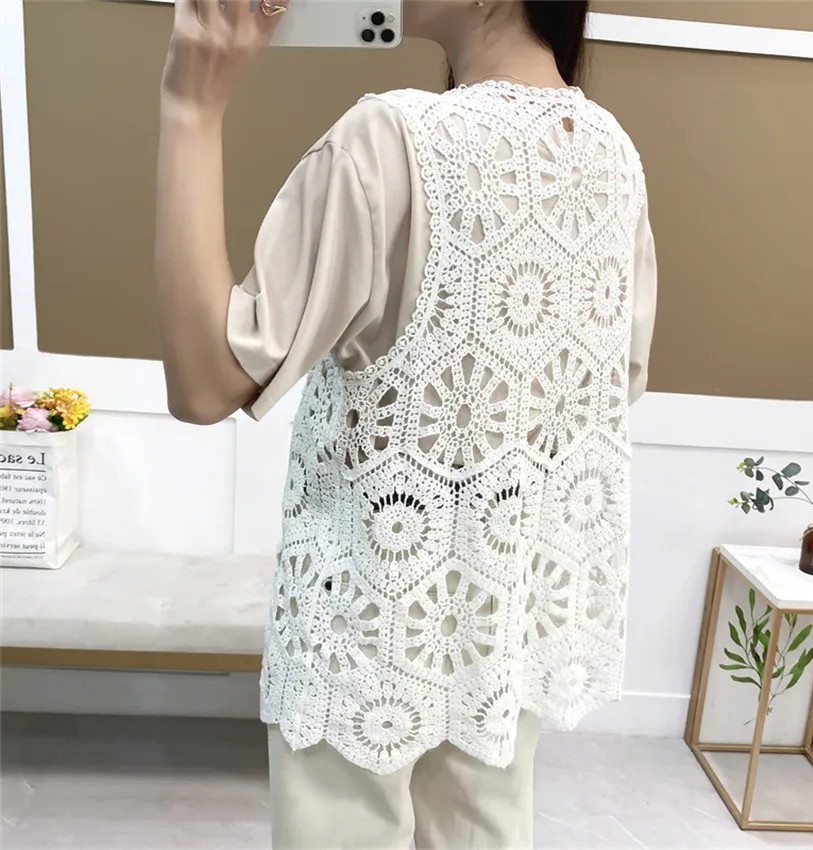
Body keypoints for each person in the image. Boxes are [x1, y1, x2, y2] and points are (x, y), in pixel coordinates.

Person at [155, 0, 657, 846]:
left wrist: (190, 107)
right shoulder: (613, 156)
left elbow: (205, 383)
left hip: (364, 630)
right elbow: (619, 382)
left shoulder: (390, 141)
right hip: (501, 621)